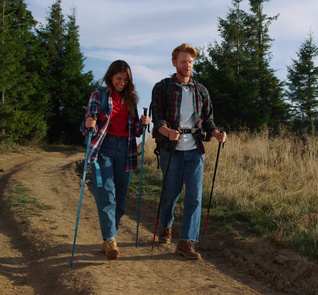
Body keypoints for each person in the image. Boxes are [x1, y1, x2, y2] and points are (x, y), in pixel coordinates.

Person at [151, 43, 227, 260]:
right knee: (171, 193)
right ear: (174, 62)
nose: (187, 65)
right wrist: (166, 131)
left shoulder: (201, 90)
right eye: (183, 61)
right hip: (171, 148)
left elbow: (208, 121)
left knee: (194, 197)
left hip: (195, 149)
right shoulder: (162, 87)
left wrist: (217, 133)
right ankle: (165, 226)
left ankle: (186, 242)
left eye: (190, 62)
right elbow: (157, 117)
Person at [80, 60, 150, 260]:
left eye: (126, 80)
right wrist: (88, 123)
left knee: (120, 198)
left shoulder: (131, 99)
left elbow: (135, 130)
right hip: (103, 149)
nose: (122, 83)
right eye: (119, 79)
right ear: (110, 76)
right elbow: (86, 128)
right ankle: (111, 239)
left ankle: (108, 238)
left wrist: (143, 124)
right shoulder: (98, 95)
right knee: (106, 194)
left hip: (126, 150)